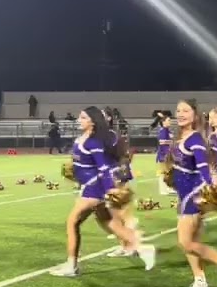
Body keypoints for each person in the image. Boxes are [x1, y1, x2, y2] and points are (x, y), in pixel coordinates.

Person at [49, 106, 154, 278]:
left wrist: (109, 191)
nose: (78, 120)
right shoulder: (84, 139)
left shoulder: (94, 142)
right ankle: (141, 247)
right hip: (89, 186)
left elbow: (104, 168)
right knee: (110, 224)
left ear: (93, 121)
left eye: (83, 117)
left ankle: (71, 265)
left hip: (94, 189)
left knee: (72, 222)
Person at [168, 99, 217, 287]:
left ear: (195, 115)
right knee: (191, 241)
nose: (181, 113)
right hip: (184, 195)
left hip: (193, 197)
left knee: (185, 242)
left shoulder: (195, 139)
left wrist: (209, 190)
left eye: (186, 110)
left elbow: (203, 167)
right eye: (178, 110)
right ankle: (200, 282)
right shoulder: (180, 136)